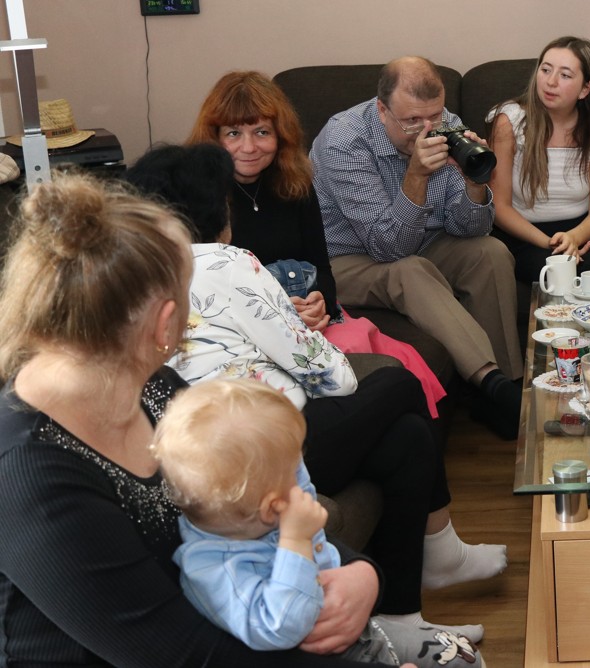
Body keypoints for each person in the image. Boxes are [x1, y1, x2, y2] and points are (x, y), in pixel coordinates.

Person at [0, 170, 388, 666]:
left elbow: (269, 494)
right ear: (167, 324)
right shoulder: (28, 472)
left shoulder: (156, 388)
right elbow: (181, 656)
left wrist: (361, 573)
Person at [126, 143, 506, 643]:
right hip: (268, 448)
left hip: (208, 458)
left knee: (406, 438)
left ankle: (404, 619)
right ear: (215, 209)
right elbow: (334, 375)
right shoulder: (227, 262)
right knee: (398, 382)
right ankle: (440, 552)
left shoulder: (135, 277)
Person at [151, 378, 479, 665]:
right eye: (294, 470)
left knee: (466, 657)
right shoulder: (217, 571)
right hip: (335, 656)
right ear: (272, 507)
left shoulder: (251, 516)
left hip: (360, 629)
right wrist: (295, 541)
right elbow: (282, 626)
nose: (303, 484)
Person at [187, 70, 446, 419]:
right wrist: (281, 313)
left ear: (280, 135)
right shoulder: (198, 198)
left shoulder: (296, 183)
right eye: (234, 133)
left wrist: (319, 300)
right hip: (244, 334)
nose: (248, 147)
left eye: (261, 132)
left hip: (312, 321)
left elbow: (323, 267)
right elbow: (198, 297)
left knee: (397, 363)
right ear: (214, 138)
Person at [310, 55, 523, 440]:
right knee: (409, 270)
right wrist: (417, 176)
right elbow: (387, 247)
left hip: (422, 242)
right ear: (382, 110)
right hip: (346, 259)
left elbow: (470, 229)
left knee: (490, 253)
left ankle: (508, 384)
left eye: (434, 116)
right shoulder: (343, 141)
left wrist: (475, 182)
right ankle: (494, 386)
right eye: (411, 120)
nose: (425, 130)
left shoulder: (448, 124)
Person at [486, 35, 590, 283]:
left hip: (582, 229)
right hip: (523, 233)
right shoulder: (510, 122)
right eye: (546, 70)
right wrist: (552, 243)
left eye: (565, 75)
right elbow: (499, 206)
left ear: (585, 89)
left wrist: (574, 238)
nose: (550, 82)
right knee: (552, 269)